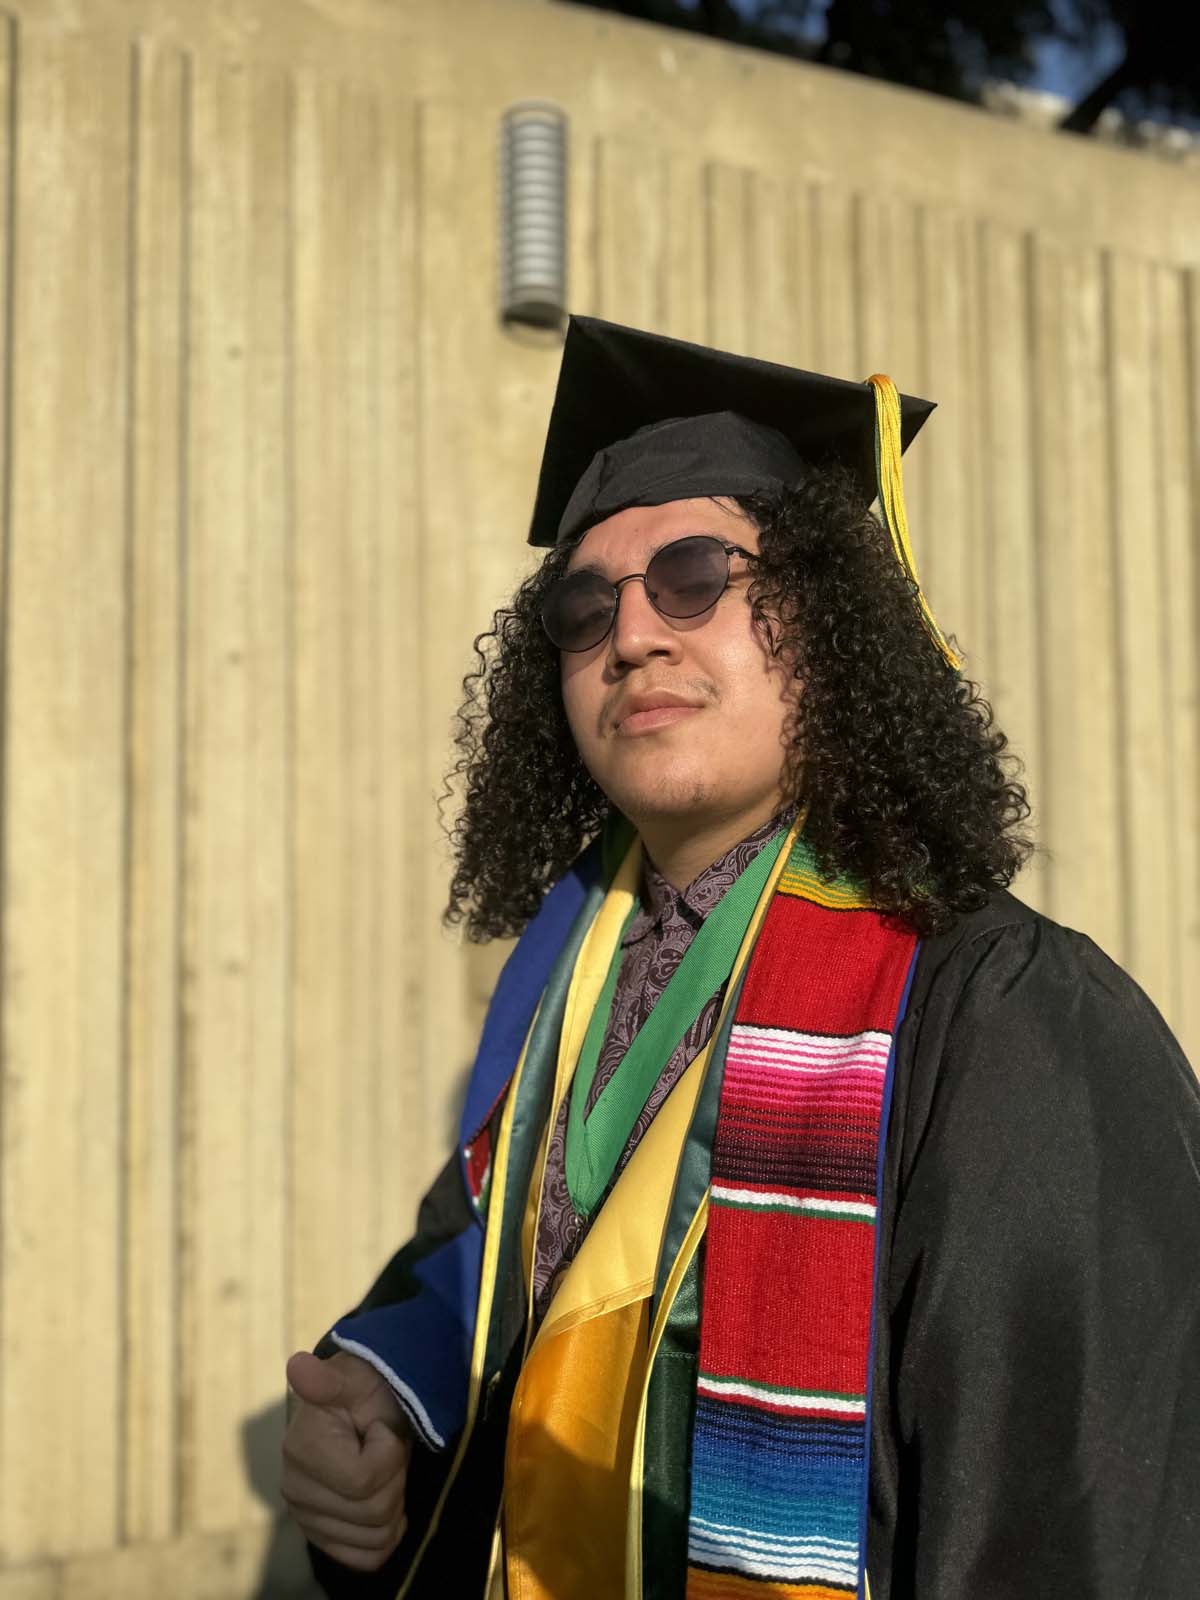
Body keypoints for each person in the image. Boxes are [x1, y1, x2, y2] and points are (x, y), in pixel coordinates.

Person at [281, 317, 1200, 1600]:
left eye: (697, 574)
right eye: (583, 603)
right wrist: (382, 1407)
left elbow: (1082, 1526)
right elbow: (480, 1265)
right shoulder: (563, 975)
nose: (633, 634)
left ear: (828, 622)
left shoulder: (1010, 1025)